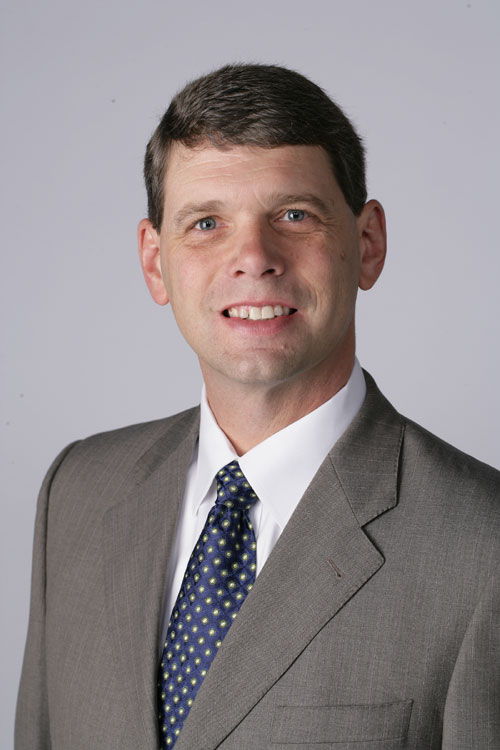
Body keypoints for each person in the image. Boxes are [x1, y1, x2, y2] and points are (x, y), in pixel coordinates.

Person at [16, 63, 499, 750]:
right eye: (206, 222)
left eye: (294, 215)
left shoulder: (483, 548)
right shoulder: (78, 492)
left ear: (367, 244)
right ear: (155, 262)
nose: (253, 257)